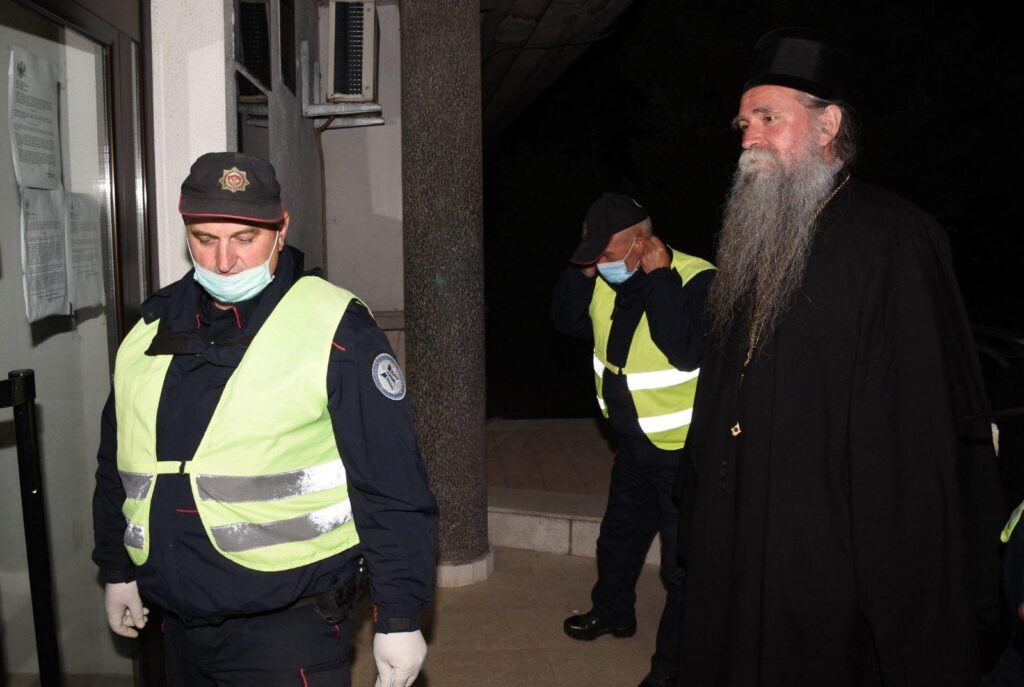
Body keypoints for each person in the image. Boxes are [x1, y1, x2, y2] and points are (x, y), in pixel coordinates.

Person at [677, 28, 1002, 686]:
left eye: (768, 118)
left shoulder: (895, 238)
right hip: (742, 522)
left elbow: (914, 434)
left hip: (830, 545)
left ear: (828, 125)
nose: (748, 139)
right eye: (743, 124)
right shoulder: (755, 238)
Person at [92, 152, 438, 687]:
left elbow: (390, 483)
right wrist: (117, 568)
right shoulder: (150, 329)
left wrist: (399, 616)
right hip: (176, 622)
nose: (224, 260)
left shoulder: (335, 327)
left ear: (281, 231)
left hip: (288, 627)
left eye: (244, 238)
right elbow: (116, 465)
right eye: (205, 238)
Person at [551, 192, 715, 687]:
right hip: (633, 444)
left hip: (683, 452)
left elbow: (685, 351)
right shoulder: (604, 278)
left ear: (642, 243)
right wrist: (583, 272)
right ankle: (613, 613)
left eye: (606, 253)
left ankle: (670, 671)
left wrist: (660, 277)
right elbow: (566, 322)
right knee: (618, 541)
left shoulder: (698, 279)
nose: (599, 263)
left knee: (680, 567)